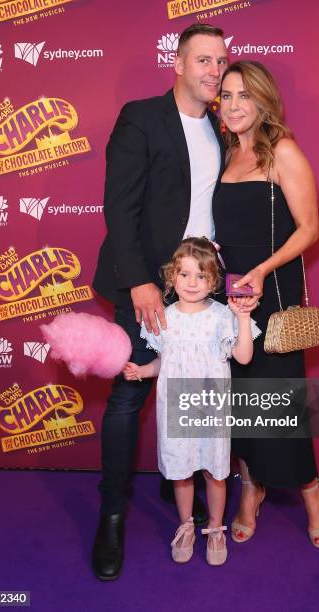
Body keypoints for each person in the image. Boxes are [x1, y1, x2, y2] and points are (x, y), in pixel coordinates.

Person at [92, 24, 229, 580]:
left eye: (221, 61)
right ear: (177, 63)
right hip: (147, 281)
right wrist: (139, 281)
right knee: (129, 397)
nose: (214, 71)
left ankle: (188, 485)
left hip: (199, 281)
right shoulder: (141, 117)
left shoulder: (222, 126)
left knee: (195, 387)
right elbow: (118, 207)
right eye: (203, 60)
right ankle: (113, 514)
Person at [213, 61, 319, 548]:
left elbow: (309, 229)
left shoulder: (282, 150)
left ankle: (312, 491)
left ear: (264, 100)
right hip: (230, 301)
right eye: (226, 95)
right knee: (238, 403)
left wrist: (263, 270)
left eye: (244, 95)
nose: (234, 105)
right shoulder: (223, 154)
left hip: (273, 297)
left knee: (280, 404)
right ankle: (251, 488)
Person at [122, 237, 259, 566]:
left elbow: (242, 356)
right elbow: (164, 361)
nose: (192, 283)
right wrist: (143, 370)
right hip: (176, 409)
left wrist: (242, 318)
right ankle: (185, 526)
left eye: (201, 276)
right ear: (172, 277)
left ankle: (215, 528)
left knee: (215, 473)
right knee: (181, 473)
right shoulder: (164, 318)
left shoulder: (221, 316)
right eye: (184, 275)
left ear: (213, 281)